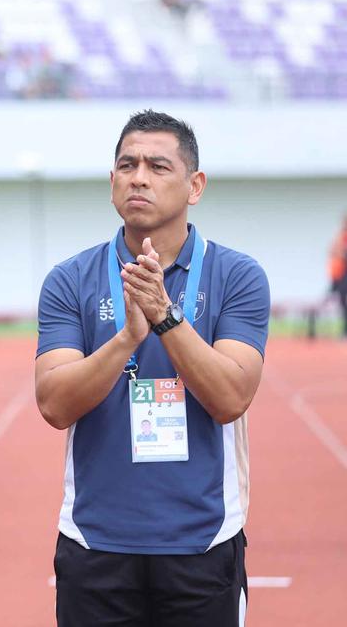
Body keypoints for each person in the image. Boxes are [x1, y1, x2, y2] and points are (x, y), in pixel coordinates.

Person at [36, 110, 269, 625]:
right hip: (95, 543)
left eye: (158, 166)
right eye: (127, 164)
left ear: (195, 185)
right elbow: (53, 403)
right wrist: (126, 339)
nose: (138, 176)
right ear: (112, 181)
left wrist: (164, 317)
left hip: (203, 542)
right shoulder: (70, 279)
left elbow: (231, 398)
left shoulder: (239, 276)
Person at [327, 215, 347, 337]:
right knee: (341, 302)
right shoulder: (340, 236)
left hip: (344, 274)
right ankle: (344, 329)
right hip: (339, 276)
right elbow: (332, 251)